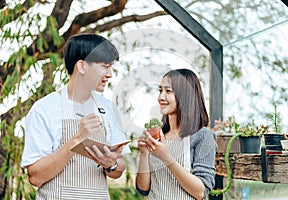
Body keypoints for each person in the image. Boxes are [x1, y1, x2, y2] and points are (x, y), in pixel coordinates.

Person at [21, 33, 130, 199]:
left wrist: (111, 164)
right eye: (104, 66)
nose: (109, 74)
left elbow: (119, 169)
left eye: (110, 67)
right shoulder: (44, 109)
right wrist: (77, 139)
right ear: (82, 66)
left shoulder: (108, 108)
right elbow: (35, 177)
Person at [136, 68, 217, 200]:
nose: (161, 97)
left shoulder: (203, 136)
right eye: (160, 90)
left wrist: (166, 157)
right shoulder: (159, 134)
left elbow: (201, 192)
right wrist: (144, 153)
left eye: (168, 91)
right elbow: (143, 189)